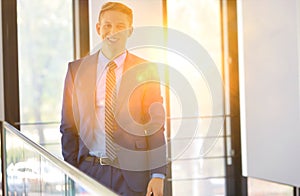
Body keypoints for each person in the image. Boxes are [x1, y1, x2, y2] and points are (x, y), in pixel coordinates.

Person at [60, 2, 166, 196]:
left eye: (120, 26)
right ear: (99, 28)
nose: (113, 31)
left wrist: (158, 174)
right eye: (107, 25)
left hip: (133, 176)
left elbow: (155, 126)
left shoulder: (146, 70)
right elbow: (69, 127)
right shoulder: (76, 71)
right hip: (89, 172)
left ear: (130, 31)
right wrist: (72, 171)